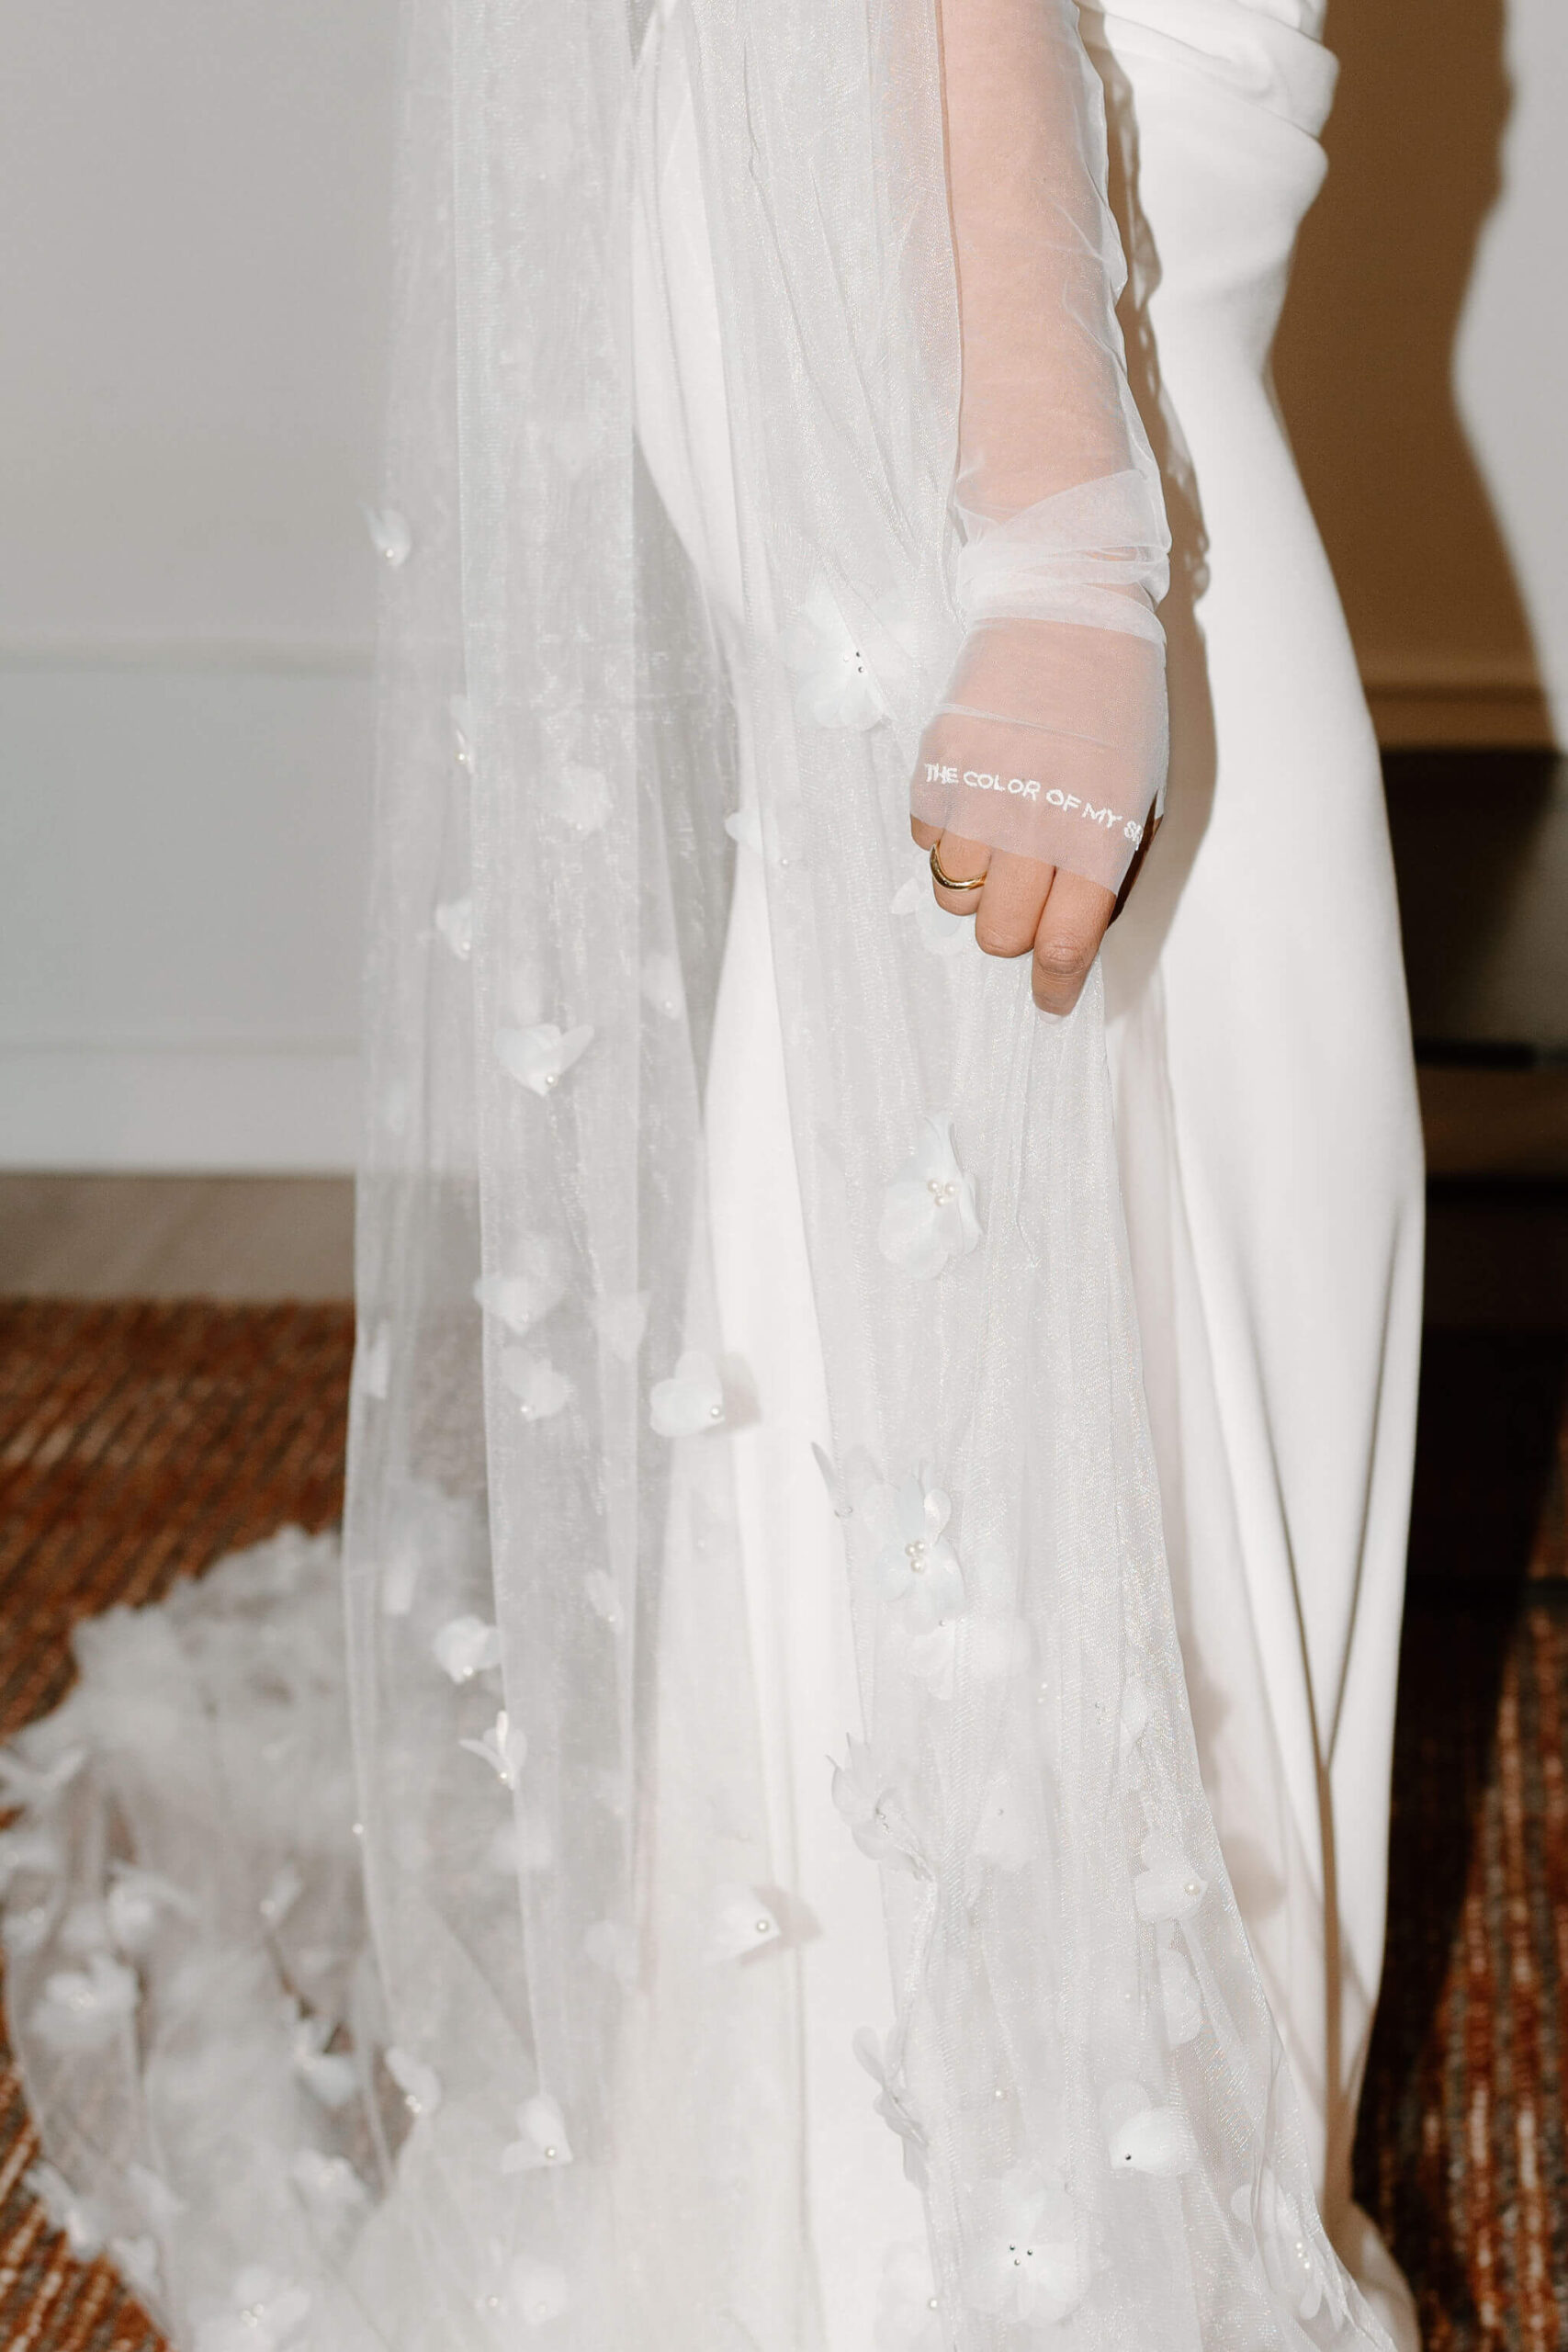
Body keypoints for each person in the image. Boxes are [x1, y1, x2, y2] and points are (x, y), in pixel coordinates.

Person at [0, 0, 1421, 2345]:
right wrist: (1058, 533)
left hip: (988, 224)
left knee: (1016, 1201)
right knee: (1157, 1182)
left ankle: (969, 2190)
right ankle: (1010, 2242)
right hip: (996, 263)